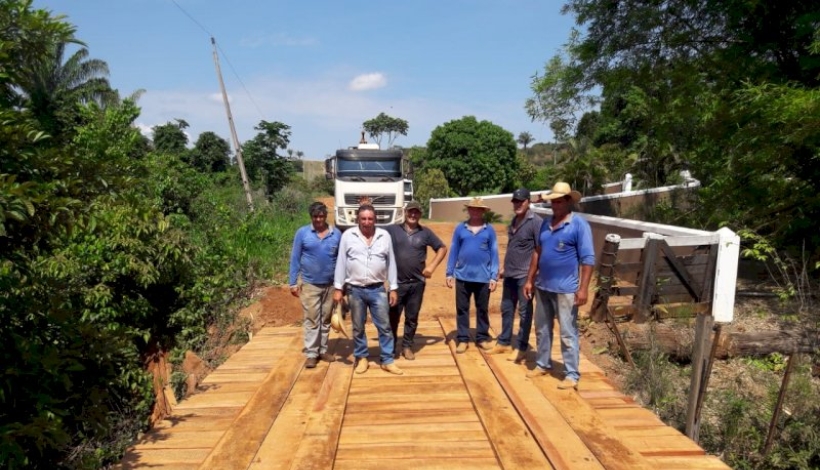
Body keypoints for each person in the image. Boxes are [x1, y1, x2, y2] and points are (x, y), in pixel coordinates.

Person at [523, 182, 595, 390]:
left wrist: (583, 289)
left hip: (566, 289)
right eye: (553, 200)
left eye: (559, 200)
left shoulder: (578, 225)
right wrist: (530, 279)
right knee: (542, 328)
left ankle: (571, 373)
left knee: (567, 331)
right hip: (543, 286)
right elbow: (537, 252)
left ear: (568, 201)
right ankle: (543, 363)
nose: (555, 204)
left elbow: (588, 258)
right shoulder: (546, 224)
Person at [333, 204, 403, 375]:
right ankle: (362, 358)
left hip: (378, 289)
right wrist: (338, 288)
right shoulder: (348, 236)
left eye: (370, 218)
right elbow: (341, 262)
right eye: (363, 218)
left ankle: (387, 360)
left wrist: (393, 288)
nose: (366, 222)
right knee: (358, 327)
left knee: (385, 326)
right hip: (355, 289)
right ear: (358, 219)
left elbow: (391, 262)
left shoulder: (384, 235)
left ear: (375, 219)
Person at [385, 201, 447, 360]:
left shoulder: (425, 233)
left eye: (416, 212)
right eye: (410, 212)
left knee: (412, 317)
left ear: (420, 214)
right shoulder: (393, 230)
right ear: (405, 212)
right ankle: (391, 347)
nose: (413, 215)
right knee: (392, 317)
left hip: (417, 283)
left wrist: (432, 267)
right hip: (396, 284)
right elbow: (372, 228)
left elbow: (442, 248)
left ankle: (407, 346)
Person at [487, 189, 543, 364]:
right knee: (507, 309)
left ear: (528, 202)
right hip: (510, 273)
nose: (517, 204)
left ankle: (521, 347)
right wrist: (504, 267)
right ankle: (504, 341)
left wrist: (531, 278)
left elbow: (539, 250)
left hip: (525, 275)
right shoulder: (514, 221)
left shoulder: (536, 222)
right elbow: (513, 247)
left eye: (521, 201)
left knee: (525, 313)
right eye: (515, 201)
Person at [288, 201, 342, 369]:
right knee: (312, 320)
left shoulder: (336, 234)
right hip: (310, 284)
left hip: (330, 284)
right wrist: (292, 282)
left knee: (326, 320)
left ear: (326, 215)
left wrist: (341, 285)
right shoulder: (302, 233)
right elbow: (295, 258)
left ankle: (323, 350)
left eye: (321, 216)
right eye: (315, 216)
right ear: (311, 217)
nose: (319, 219)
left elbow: (341, 261)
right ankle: (312, 353)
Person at [446, 197, 500, 353]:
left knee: (482, 309)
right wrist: (449, 272)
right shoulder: (460, 229)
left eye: (478, 209)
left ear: (483, 211)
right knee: (462, 308)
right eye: (472, 208)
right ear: (468, 210)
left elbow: (494, 253)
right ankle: (463, 339)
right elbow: (454, 250)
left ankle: (482, 337)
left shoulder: (489, 230)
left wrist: (493, 276)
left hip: (483, 277)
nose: (475, 211)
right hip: (462, 276)